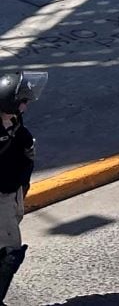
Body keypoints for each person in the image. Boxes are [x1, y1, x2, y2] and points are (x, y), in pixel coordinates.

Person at [0, 71, 39, 303]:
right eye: (22, 101)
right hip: (2, 195)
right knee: (9, 255)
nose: (26, 105)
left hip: (13, 193)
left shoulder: (13, 121)